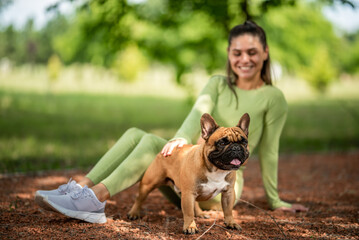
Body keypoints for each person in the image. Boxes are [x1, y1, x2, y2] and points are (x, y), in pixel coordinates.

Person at [35, 21, 308, 224]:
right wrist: (180, 137)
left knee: (150, 142)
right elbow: (198, 112)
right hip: (192, 171)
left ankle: (93, 199)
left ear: (266, 52)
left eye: (252, 52)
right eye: (237, 53)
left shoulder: (274, 97)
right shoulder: (217, 83)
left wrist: (275, 201)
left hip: (222, 184)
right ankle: (81, 188)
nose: (244, 59)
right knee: (135, 134)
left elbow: (270, 151)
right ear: (228, 53)